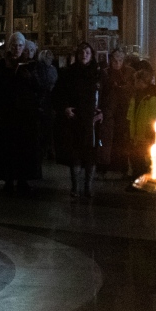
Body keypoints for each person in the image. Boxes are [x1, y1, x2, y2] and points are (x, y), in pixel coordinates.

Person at [0, 32, 42, 193]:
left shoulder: (30, 64)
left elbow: (39, 88)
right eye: (14, 45)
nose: (17, 48)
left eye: (20, 45)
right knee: (7, 148)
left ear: (24, 47)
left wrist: (29, 77)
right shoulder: (1, 65)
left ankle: (23, 179)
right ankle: (9, 179)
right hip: (7, 113)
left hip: (25, 114)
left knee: (24, 148)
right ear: (9, 47)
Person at [54, 41, 102, 197]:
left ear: (92, 55)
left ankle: (88, 187)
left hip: (92, 121)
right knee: (75, 154)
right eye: (81, 52)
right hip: (74, 120)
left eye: (87, 52)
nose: (84, 55)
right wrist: (65, 108)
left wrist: (102, 112)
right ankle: (75, 187)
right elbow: (58, 93)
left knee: (91, 155)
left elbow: (106, 95)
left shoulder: (98, 73)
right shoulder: (69, 73)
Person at [97, 48, 135, 176]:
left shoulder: (130, 72)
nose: (117, 63)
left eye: (120, 60)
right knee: (106, 139)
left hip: (124, 109)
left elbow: (132, 88)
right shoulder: (105, 72)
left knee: (122, 138)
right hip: (108, 109)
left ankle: (122, 166)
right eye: (115, 60)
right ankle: (104, 166)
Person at [128, 63, 156, 179]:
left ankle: (141, 181)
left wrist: (149, 133)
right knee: (136, 160)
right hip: (136, 135)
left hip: (144, 136)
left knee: (142, 161)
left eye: (137, 81)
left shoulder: (152, 98)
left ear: (142, 82)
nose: (135, 83)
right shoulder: (137, 96)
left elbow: (153, 117)